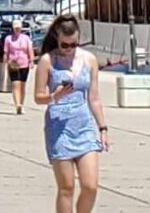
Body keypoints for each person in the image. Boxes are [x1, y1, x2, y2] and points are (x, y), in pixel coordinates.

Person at [33, 15, 106, 213]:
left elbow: (94, 98)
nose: (69, 49)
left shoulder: (89, 60)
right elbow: (38, 97)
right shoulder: (48, 61)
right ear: (57, 39)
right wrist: (53, 96)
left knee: (90, 186)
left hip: (84, 126)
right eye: (65, 45)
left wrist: (103, 128)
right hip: (59, 128)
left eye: (74, 44)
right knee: (66, 188)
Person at [2, 21, 35, 115]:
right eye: (15, 28)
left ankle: (21, 103)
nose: (17, 30)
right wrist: (5, 63)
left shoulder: (26, 38)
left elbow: (30, 50)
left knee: (22, 85)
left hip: (24, 63)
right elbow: (6, 52)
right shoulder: (8, 39)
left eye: (19, 28)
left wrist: (31, 60)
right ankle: (17, 105)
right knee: (15, 84)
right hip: (13, 64)